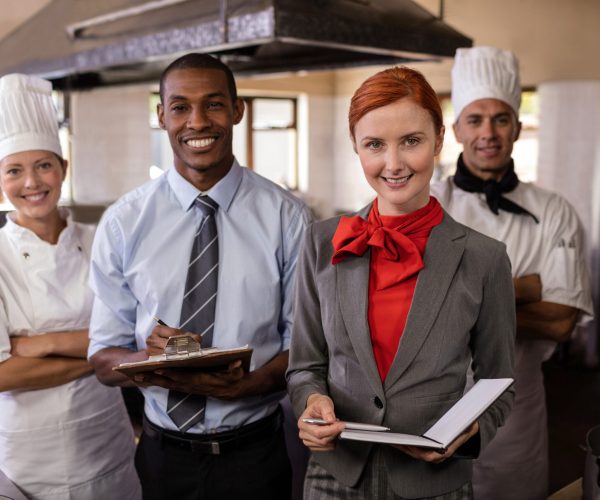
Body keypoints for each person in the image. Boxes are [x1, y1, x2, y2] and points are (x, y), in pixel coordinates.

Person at [88, 53, 312, 500]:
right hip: (162, 458)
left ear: (237, 110)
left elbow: (305, 346)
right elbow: (102, 358)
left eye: (213, 104)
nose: (197, 121)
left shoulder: (288, 218)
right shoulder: (124, 222)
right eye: (180, 107)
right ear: (161, 116)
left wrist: (248, 386)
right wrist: (150, 366)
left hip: (255, 456)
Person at [286, 66, 516, 499]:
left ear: (438, 140)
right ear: (355, 145)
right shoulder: (321, 242)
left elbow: (498, 383)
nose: (393, 164)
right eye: (375, 144)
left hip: (434, 484)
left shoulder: (485, 259)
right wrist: (312, 404)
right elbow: (305, 367)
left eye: (411, 141)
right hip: (335, 476)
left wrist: (469, 431)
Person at [431, 46, 594, 500]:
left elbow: (562, 321)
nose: (488, 132)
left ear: (518, 128)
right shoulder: (427, 203)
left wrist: (459, 301)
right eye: (476, 119)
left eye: (501, 119)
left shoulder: (554, 211)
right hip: (431, 403)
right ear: (457, 129)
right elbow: (408, 307)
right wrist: (523, 289)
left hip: (516, 409)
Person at [0, 74, 141, 499]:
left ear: (64, 168)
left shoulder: (104, 238)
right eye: (14, 170)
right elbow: (3, 375)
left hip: (109, 443)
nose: (32, 183)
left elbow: (138, 331)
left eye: (44, 165)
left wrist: (42, 345)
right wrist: (111, 360)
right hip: (30, 459)